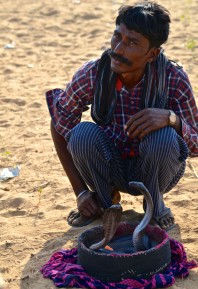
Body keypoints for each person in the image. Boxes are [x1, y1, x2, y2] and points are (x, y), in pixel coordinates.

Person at [46, 1, 198, 231]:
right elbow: (60, 122)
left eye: (132, 43)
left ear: (152, 53)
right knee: (81, 133)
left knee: (165, 136)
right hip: (110, 165)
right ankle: (105, 203)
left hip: (156, 169)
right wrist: (81, 192)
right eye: (117, 37)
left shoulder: (173, 78)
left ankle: (155, 205)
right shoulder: (93, 73)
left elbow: (196, 144)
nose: (118, 49)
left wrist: (171, 119)